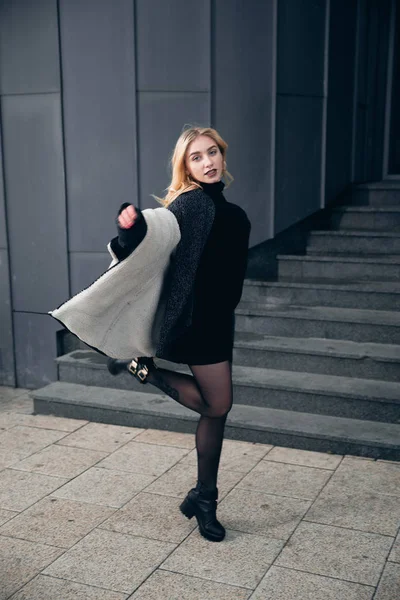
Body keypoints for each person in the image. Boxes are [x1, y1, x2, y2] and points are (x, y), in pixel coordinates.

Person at [108, 126, 251, 542]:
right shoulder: (189, 204)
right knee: (219, 404)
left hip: (220, 319)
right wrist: (129, 228)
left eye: (212, 153)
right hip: (195, 320)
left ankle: (202, 498)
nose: (207, 163)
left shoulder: (235, 213)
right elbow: (152, 238)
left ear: (223, 156)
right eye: (196, 157)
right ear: (185, 166)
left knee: (216, 408)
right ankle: (204, 498)